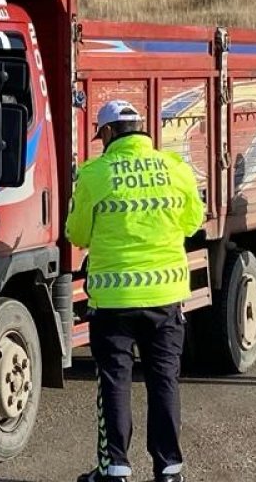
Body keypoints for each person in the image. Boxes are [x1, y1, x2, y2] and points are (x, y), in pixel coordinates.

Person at [66, 100, 206, 482]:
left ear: (108, 133)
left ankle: (115, 469)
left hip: (113, 301)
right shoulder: (175, 168)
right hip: (166, 297)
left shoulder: (94, 173)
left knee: (114, 381)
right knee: (164, 379)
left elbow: (76, 234)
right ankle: (169, 469)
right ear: (141, 129)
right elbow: (194, 222)